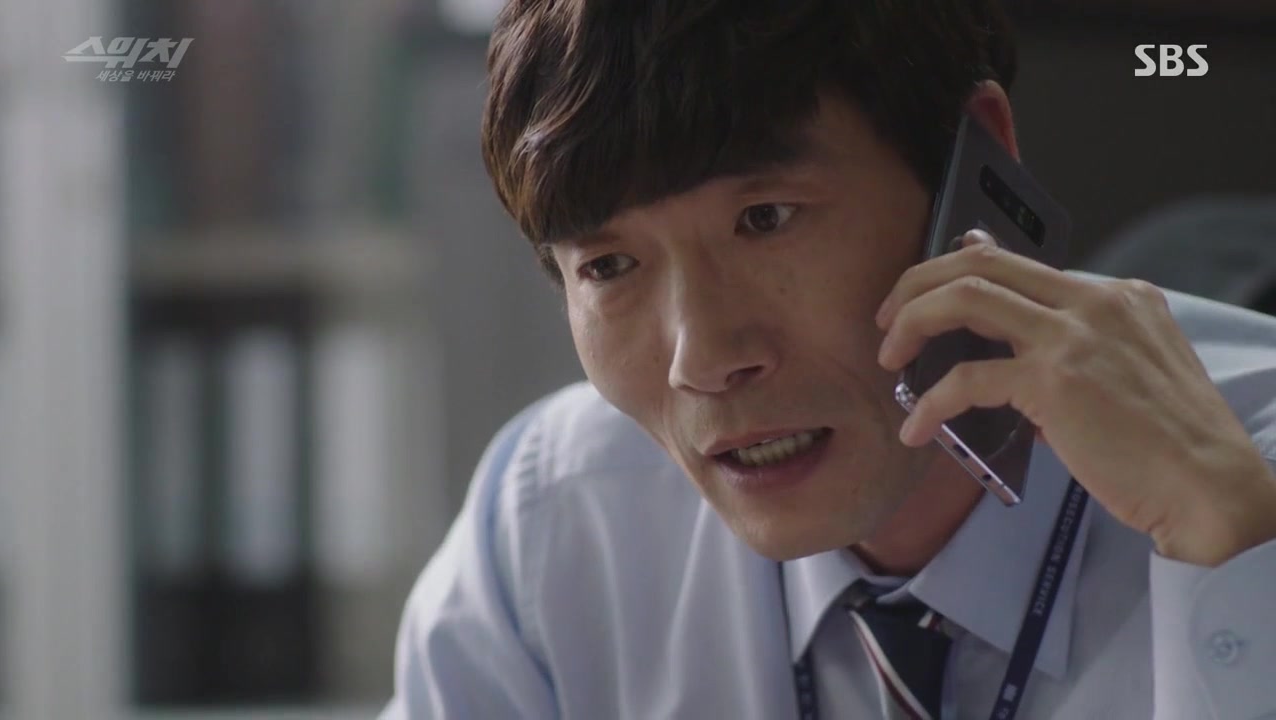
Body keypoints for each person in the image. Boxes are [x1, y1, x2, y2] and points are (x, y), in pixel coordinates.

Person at [383, 1, 1276, 717]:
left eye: (765, 219)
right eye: (609, 267)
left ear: (977, 157)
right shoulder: (557, 519)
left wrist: (1236, 551)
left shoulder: (1245, 474)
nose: (704, 360)